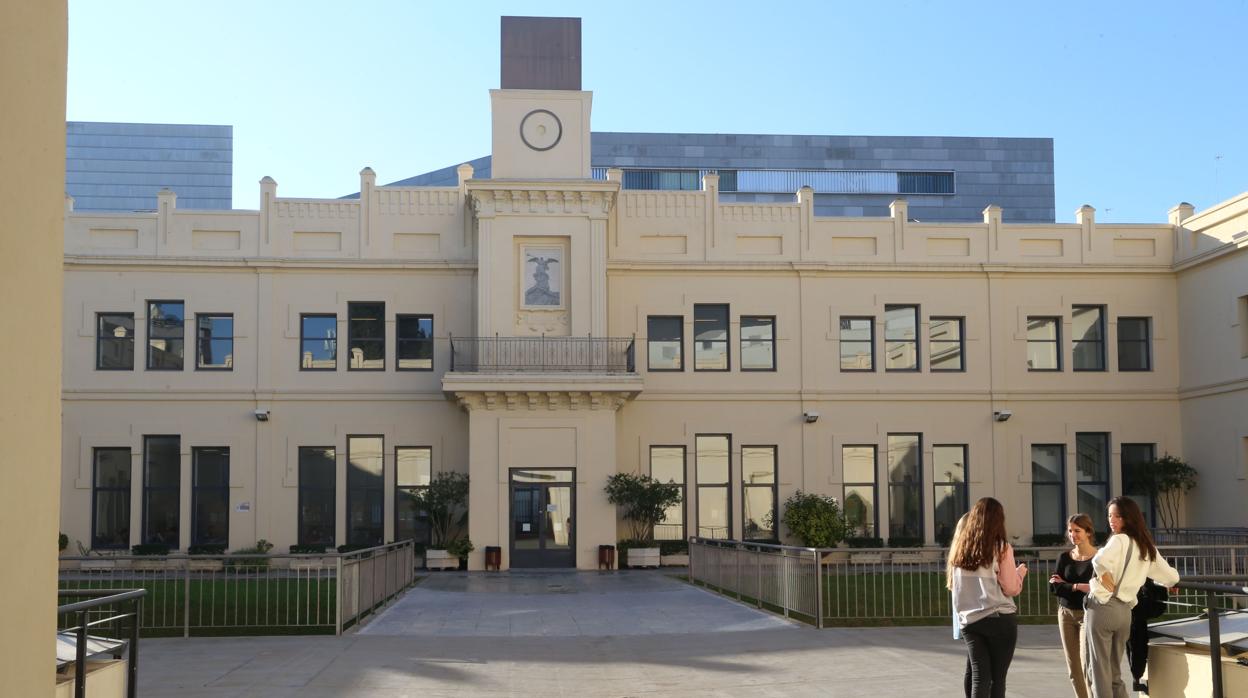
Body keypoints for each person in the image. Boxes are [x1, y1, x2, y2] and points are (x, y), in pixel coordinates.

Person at [1084, 497, 1180, 698]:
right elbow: (1171, 576)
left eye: (1117, 516)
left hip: (1103, 607)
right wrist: (1167, 584)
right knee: (1114, 673)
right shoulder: (1146, 546)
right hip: (1125, 613)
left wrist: (1102, 573)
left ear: (1129, 518)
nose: (1112, 520)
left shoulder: (1119, 540)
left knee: (1099, 671)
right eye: (1110, 515)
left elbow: (1099, 559)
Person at [948, 497, 1028, 698]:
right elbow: (1010, 588)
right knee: (997, 679)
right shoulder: (1000, 547)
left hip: (970, 620)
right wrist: (1020, 574)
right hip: (998, 617)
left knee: (979, 678)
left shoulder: (960, 548)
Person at [1048, 513, 1098, 698]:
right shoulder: (1064, 558)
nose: (1073, 535)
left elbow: (1096, 589)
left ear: (1088, 532)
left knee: (1087, 665)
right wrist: (1078, 586)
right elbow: (1054, 588)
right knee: (1073, 668)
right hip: (1065, 614)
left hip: (1088, 614)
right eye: (1070, 531)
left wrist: (1066, 585)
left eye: (1077, 530)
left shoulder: (1098, 558)